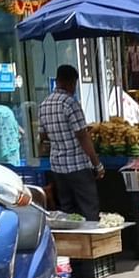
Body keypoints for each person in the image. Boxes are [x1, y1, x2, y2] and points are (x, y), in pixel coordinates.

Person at [39, 64, 103, 220]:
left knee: (67, 211)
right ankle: (91, 241)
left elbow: (43, 136)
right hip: (78, 166)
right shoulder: (70, 103)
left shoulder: (44, 104)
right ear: (70, 82)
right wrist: (97, 164)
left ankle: (73, 241)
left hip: (58, 167)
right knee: (89, 208)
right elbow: (82, 136)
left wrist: (60, 136)